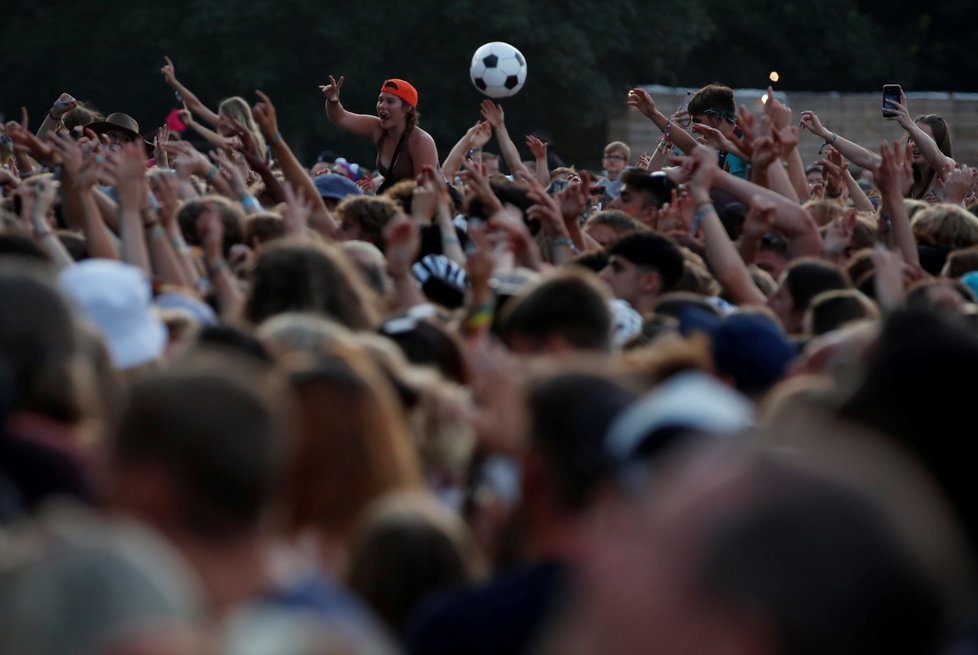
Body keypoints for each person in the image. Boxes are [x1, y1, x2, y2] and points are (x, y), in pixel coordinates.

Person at [319, 75, 439, 193]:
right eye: (380, 100)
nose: (382, 106)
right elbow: (340, 118)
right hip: (398, 202)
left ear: (407, 107)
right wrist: (333, 101)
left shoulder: (421, 141)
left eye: (390, 101)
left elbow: (425, 191)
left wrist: (381, 188)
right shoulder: (377, 128)